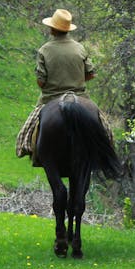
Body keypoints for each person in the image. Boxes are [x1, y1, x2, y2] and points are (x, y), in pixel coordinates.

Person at [16, 9, 96, 162]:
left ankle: (25, 147)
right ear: (67, 30)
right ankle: (107, 149)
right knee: (103, 125)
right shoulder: (80, 48)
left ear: (52, 29)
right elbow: (91, 74)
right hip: (80, 96)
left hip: (50, 98)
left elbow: (41, 81)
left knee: (28, 129)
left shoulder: (44, 50)